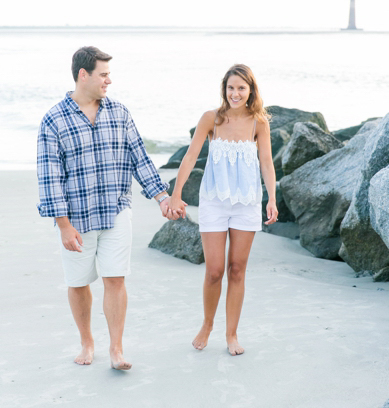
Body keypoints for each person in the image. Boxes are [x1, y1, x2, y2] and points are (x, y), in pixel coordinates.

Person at [37, 46, 185, 370]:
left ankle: (116, 348)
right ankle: (87, 340)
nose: (109, 81)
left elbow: (139, 159)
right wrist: (63, 225)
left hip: (116, 211)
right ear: (83, 75)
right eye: (104, 74)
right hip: (77, 218)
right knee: (78, 283)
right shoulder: (53, 120)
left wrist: (163, 198)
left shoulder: (119, 112)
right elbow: (50, 178)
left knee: (115, 279)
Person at [168, 64, 278, 355]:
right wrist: (176, 194)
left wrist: (272, 198)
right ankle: (207, 324)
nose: (235, 93)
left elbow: (267, 163)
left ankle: (232, 335)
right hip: (214, 201)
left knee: (237, 270)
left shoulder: (259, 123)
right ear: (224, 89)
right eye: (231, 87)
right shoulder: (211, 119)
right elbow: (191, 157)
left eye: (241, 88)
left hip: (247, 203)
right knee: (215, 271)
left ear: (250, 90)